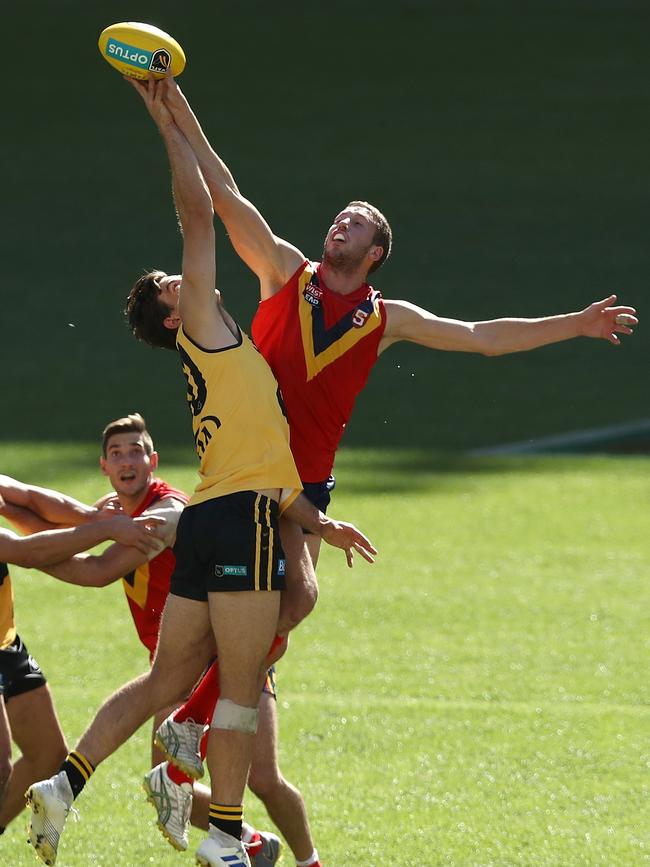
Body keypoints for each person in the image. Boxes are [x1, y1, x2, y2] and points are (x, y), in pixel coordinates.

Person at [127, 75, 639, 867]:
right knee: (289, 599)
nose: (340, 222)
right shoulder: (283, 274)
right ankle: (190, 731)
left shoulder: (384, 318)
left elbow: (480, 335)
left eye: (355, 223)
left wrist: (576, 323)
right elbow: (224, 193)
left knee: (294, 600)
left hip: (310, 487)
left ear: (373, 253)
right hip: (249, 473)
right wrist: (175, 105)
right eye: (339, 215)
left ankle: (189, 727)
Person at [27, 75, 375, 867]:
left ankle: (65, 785)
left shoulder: (221, 353)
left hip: (219, 507)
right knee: (245, 685)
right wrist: (168, 128)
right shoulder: (210, 324)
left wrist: (320, 522)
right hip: (242, 518)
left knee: (165, 679)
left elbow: (263, 454)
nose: (181, 276)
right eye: (171, 285)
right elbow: (200, 210)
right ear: (173, 314)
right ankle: (223, 834)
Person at [1, 418, 281, 863]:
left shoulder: (164, 513)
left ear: (153, 461)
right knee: (166, 781)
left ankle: (285, 851)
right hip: (175, 661)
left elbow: (94, 570)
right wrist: (39, 541)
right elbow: (38, 509)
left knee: (261, 779)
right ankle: (249, 841)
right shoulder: (114, 512)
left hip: (213, 657)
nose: (127, 460)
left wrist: (29, 551)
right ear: (105, 467)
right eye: (117, 454)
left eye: (136, 452)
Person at [0, 491, 165, 836]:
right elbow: (24, 551)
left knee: (47, 755)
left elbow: (27, 497)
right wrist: (106, 529)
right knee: (1, 765)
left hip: (6, 642)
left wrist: (91, 516)